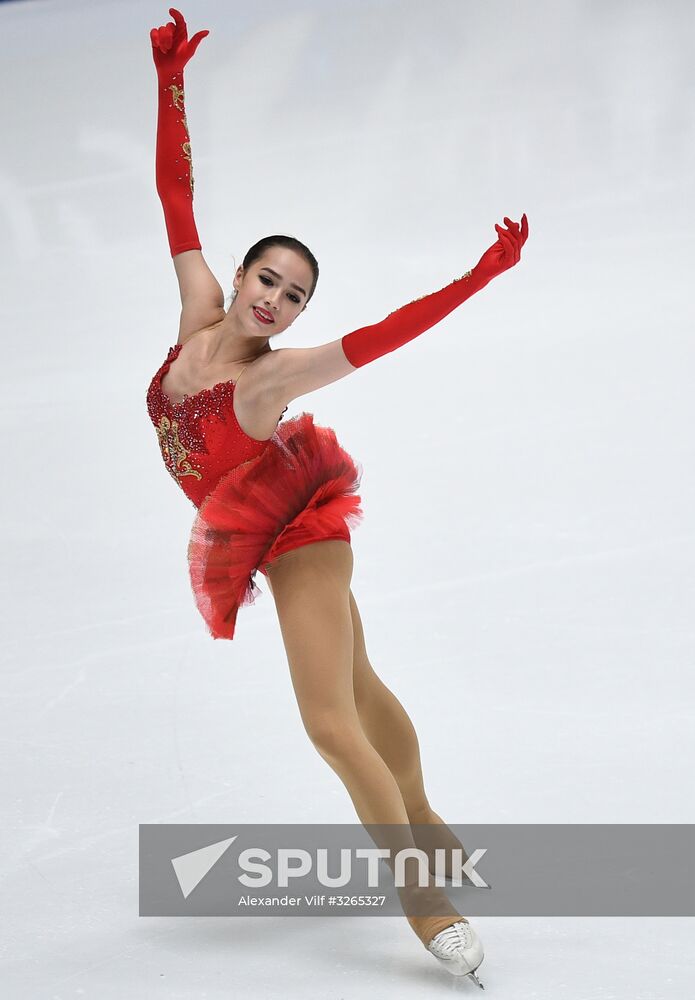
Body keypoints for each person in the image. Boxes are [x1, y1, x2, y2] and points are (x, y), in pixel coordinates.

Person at [147, 7, 528, 986]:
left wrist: (476, 276)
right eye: (266, 280)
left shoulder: (266, 382)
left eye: (293, 296)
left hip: (297, 541)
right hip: (254, 525)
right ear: (236, 277)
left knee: (325, 719)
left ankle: (422, 900)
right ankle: (429, 819)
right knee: (357, 690)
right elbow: (174, 194)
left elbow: (384, 335)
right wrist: (169, 78)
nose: (273, 301)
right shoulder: (195, 319)